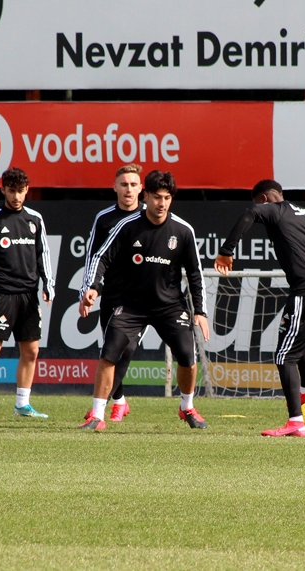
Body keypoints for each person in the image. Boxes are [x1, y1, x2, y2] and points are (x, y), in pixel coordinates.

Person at [215, 180, 305, 437]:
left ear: (264, 199)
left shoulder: (274, 210)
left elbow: (249, 214)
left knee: (284, 356)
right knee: (295, 341)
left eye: (259, 204)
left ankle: (296, 421)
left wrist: (226, 251)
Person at [78, 170, 210, 431]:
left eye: (167, 198)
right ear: (146, 196)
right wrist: (93, 287)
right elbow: (101, 257)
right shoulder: (127, 226)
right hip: (131, 305)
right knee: (110, 353)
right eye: (157, 197)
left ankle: (187, 407)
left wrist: (200, 311)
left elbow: (195, 273)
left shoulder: (183, 230)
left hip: (170, 306)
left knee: (187, 355)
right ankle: (97, 416)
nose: (162, 203)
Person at [0, 167, 54, 419]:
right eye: (11, 191)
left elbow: (43, 254)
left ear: (27, 190)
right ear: (3, 190)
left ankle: (22, 404)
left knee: (31, 352)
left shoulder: (35, 219)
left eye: (20, 191)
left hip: (29, 295)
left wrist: (48, 283)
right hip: (2, 294)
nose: (16, 197)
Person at [79, 164, 144, 422]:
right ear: (114, 187)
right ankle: (120, 401)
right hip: (112, 294)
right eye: (124, 184)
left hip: (140, 298)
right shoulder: (104, 218)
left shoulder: (149, 216)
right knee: (111, 350)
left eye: (133, 184)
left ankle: (101, 406)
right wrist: (89, 289)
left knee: (126, 348)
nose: (128, 189)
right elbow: (93, 256)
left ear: (141, 188)